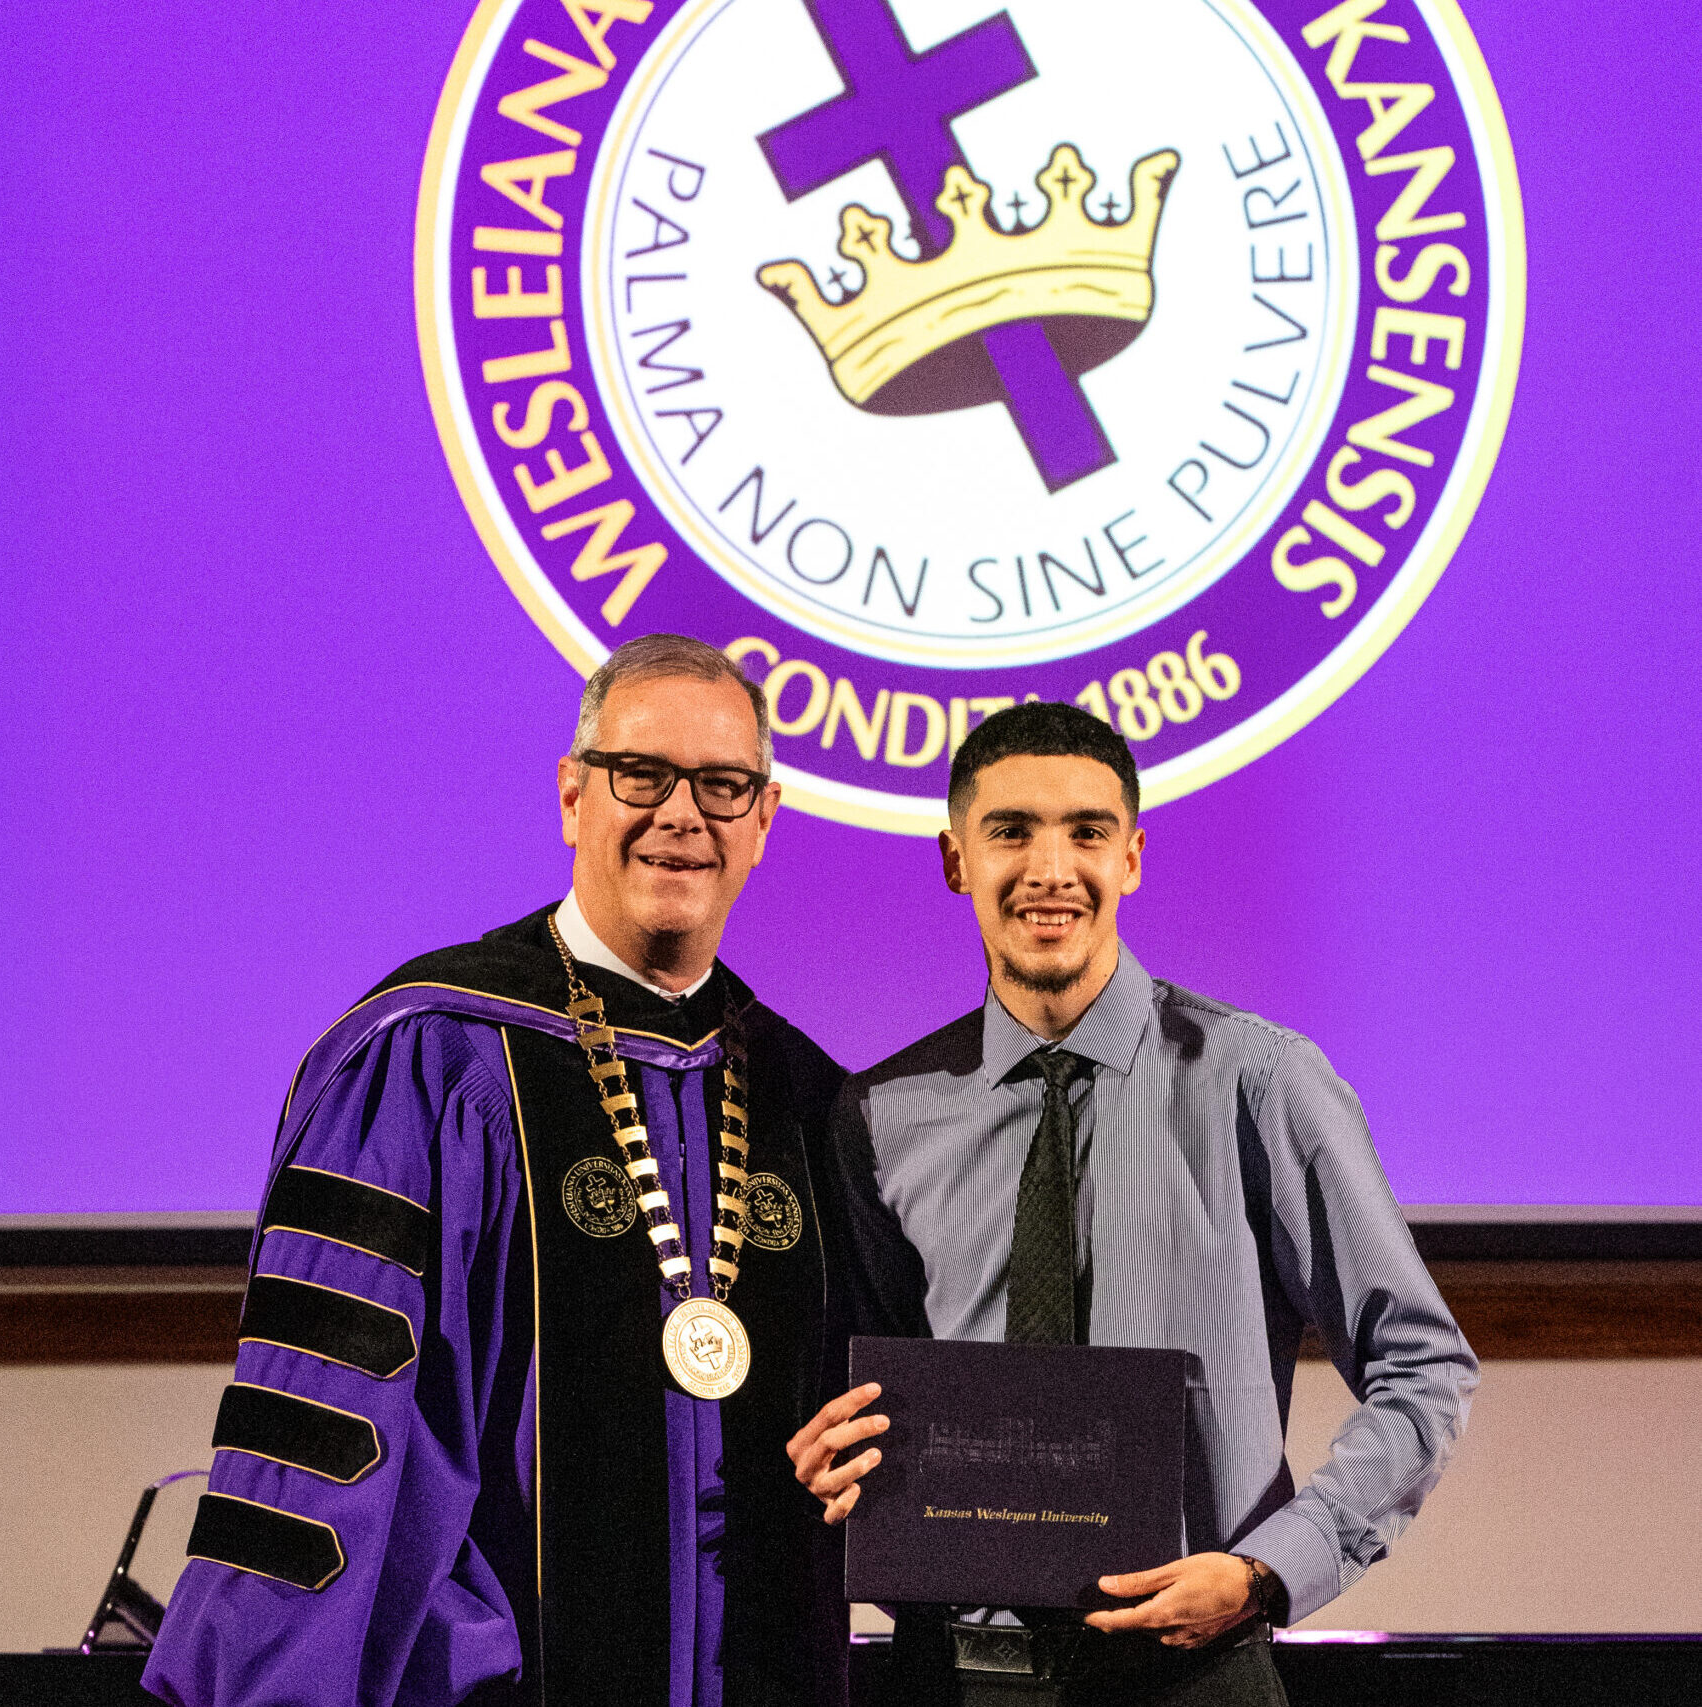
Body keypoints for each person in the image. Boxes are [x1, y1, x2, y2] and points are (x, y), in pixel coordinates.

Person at [146, 635, 851, 1707]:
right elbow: (327, 1436)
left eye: (721, 784)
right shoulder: (432, 1058)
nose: (681, 814)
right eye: (641, 775)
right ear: (573, 796)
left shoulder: (806, 1095)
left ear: (763, 818)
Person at [790, 702, 1478, 1706]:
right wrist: (833, 1455)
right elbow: (869, 1388)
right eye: (1011, 831)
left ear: (1132, 857)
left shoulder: (1260, 1082)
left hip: (1192, 1676)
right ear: (955, 860)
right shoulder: (881, 1115)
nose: (1050, 869)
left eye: (1087, 832)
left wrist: (1271, 1568)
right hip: (953, 1679)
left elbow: (1422, 1366)